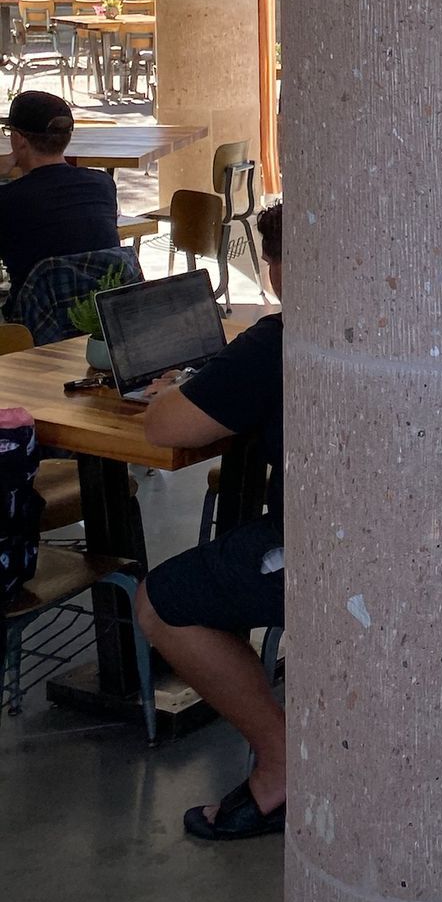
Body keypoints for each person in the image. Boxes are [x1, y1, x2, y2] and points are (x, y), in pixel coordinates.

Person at [136, 202, 286, 843]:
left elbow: (165, 426)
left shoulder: (279, 341)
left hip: (323, 554)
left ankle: (283, 769)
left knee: (161, 600)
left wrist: (183, 387)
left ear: (281, 269)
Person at [0, 90, 120, 298]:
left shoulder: (9, 200)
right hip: (99, 318)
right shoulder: (103, 185)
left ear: (19, 139)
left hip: (36, 323)